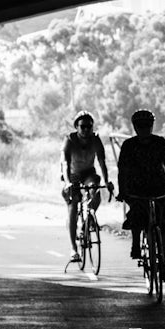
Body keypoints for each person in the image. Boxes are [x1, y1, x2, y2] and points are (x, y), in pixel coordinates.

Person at [116, 109, 165, 282]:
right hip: (136, 189)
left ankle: (164, 261)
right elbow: (122, 171)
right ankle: (135, 243)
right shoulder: (128, 145)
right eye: (140, 126)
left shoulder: (160, 143)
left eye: (147, 125)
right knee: (137, 213)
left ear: (152, 126)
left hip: (160, 187)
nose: (144, 129)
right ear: (135, 127)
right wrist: (122, 191)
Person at [61, 112, 113, 262]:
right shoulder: (69, 140)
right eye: (82, 127)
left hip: (89, 173)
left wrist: (107, 181)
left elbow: (102, 162)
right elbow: (64, 163)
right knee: (73, 204)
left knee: (95, 191)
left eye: (89, 127)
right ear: (76, 127)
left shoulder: (95, 140)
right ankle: (73, 248)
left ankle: (88, 221)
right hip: (72, 175)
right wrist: (67, 183)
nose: (86, 130)